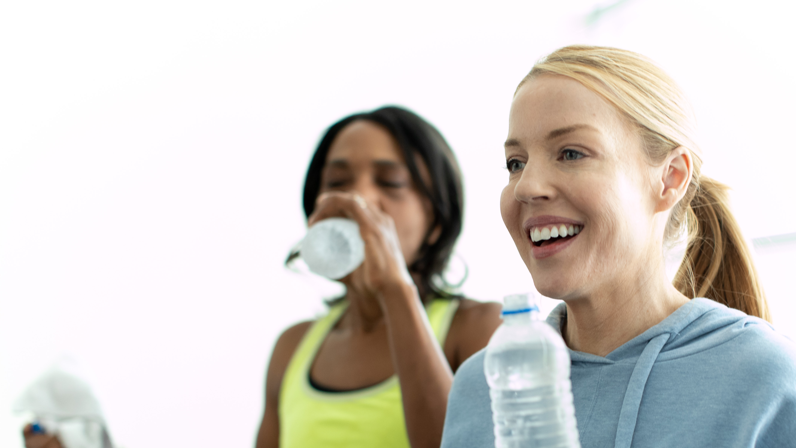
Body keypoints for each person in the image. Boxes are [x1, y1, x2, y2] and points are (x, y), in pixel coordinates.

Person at [440, 46, 796, 448]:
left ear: (670, 178)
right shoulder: (479, 386)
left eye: (571, 153)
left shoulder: (765, 380)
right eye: (515, 163)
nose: (526, 187)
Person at [255, 106, 502, 448]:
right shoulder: (291, 349)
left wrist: (395, 288)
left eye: (390, 182)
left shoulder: (480, 329)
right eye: (337, 183)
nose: (356, 199)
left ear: (437, 222)